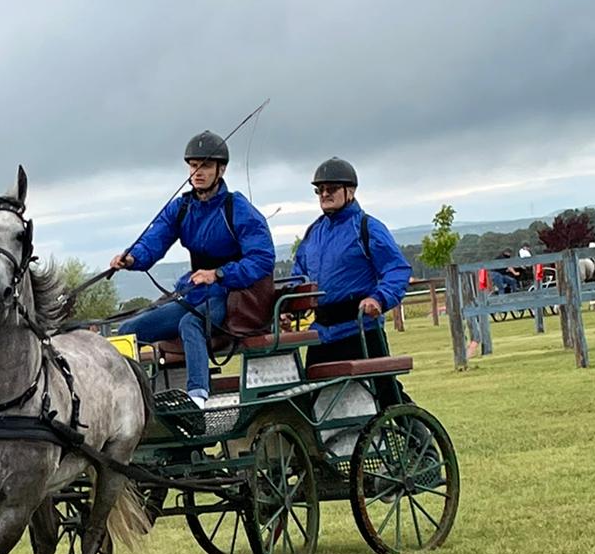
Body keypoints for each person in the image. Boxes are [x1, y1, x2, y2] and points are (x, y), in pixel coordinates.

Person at [111, 131, 276, 405]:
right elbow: (156, 238)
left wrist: (219, 274)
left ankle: (198, 397)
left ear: (220, 170)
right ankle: (131, 400)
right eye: (193, 165)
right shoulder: (182, 208)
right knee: (128, 331)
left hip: (232, 296)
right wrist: (132, 258)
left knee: (191, 324)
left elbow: (262, 259)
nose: (197, 172)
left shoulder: (238, 209)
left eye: (205, 166)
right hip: (197, 294)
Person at [290, 157, 411, 367]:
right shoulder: (313, 233)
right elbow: (299, 277)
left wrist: (379, 299)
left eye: (332, 188)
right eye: (320, 190)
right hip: (320, 335)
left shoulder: (368, 228)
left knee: (384, 394)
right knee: (314, 396)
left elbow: (397, 270)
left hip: (360, 330)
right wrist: (291, 308)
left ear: (351, 191)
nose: (325, 194)